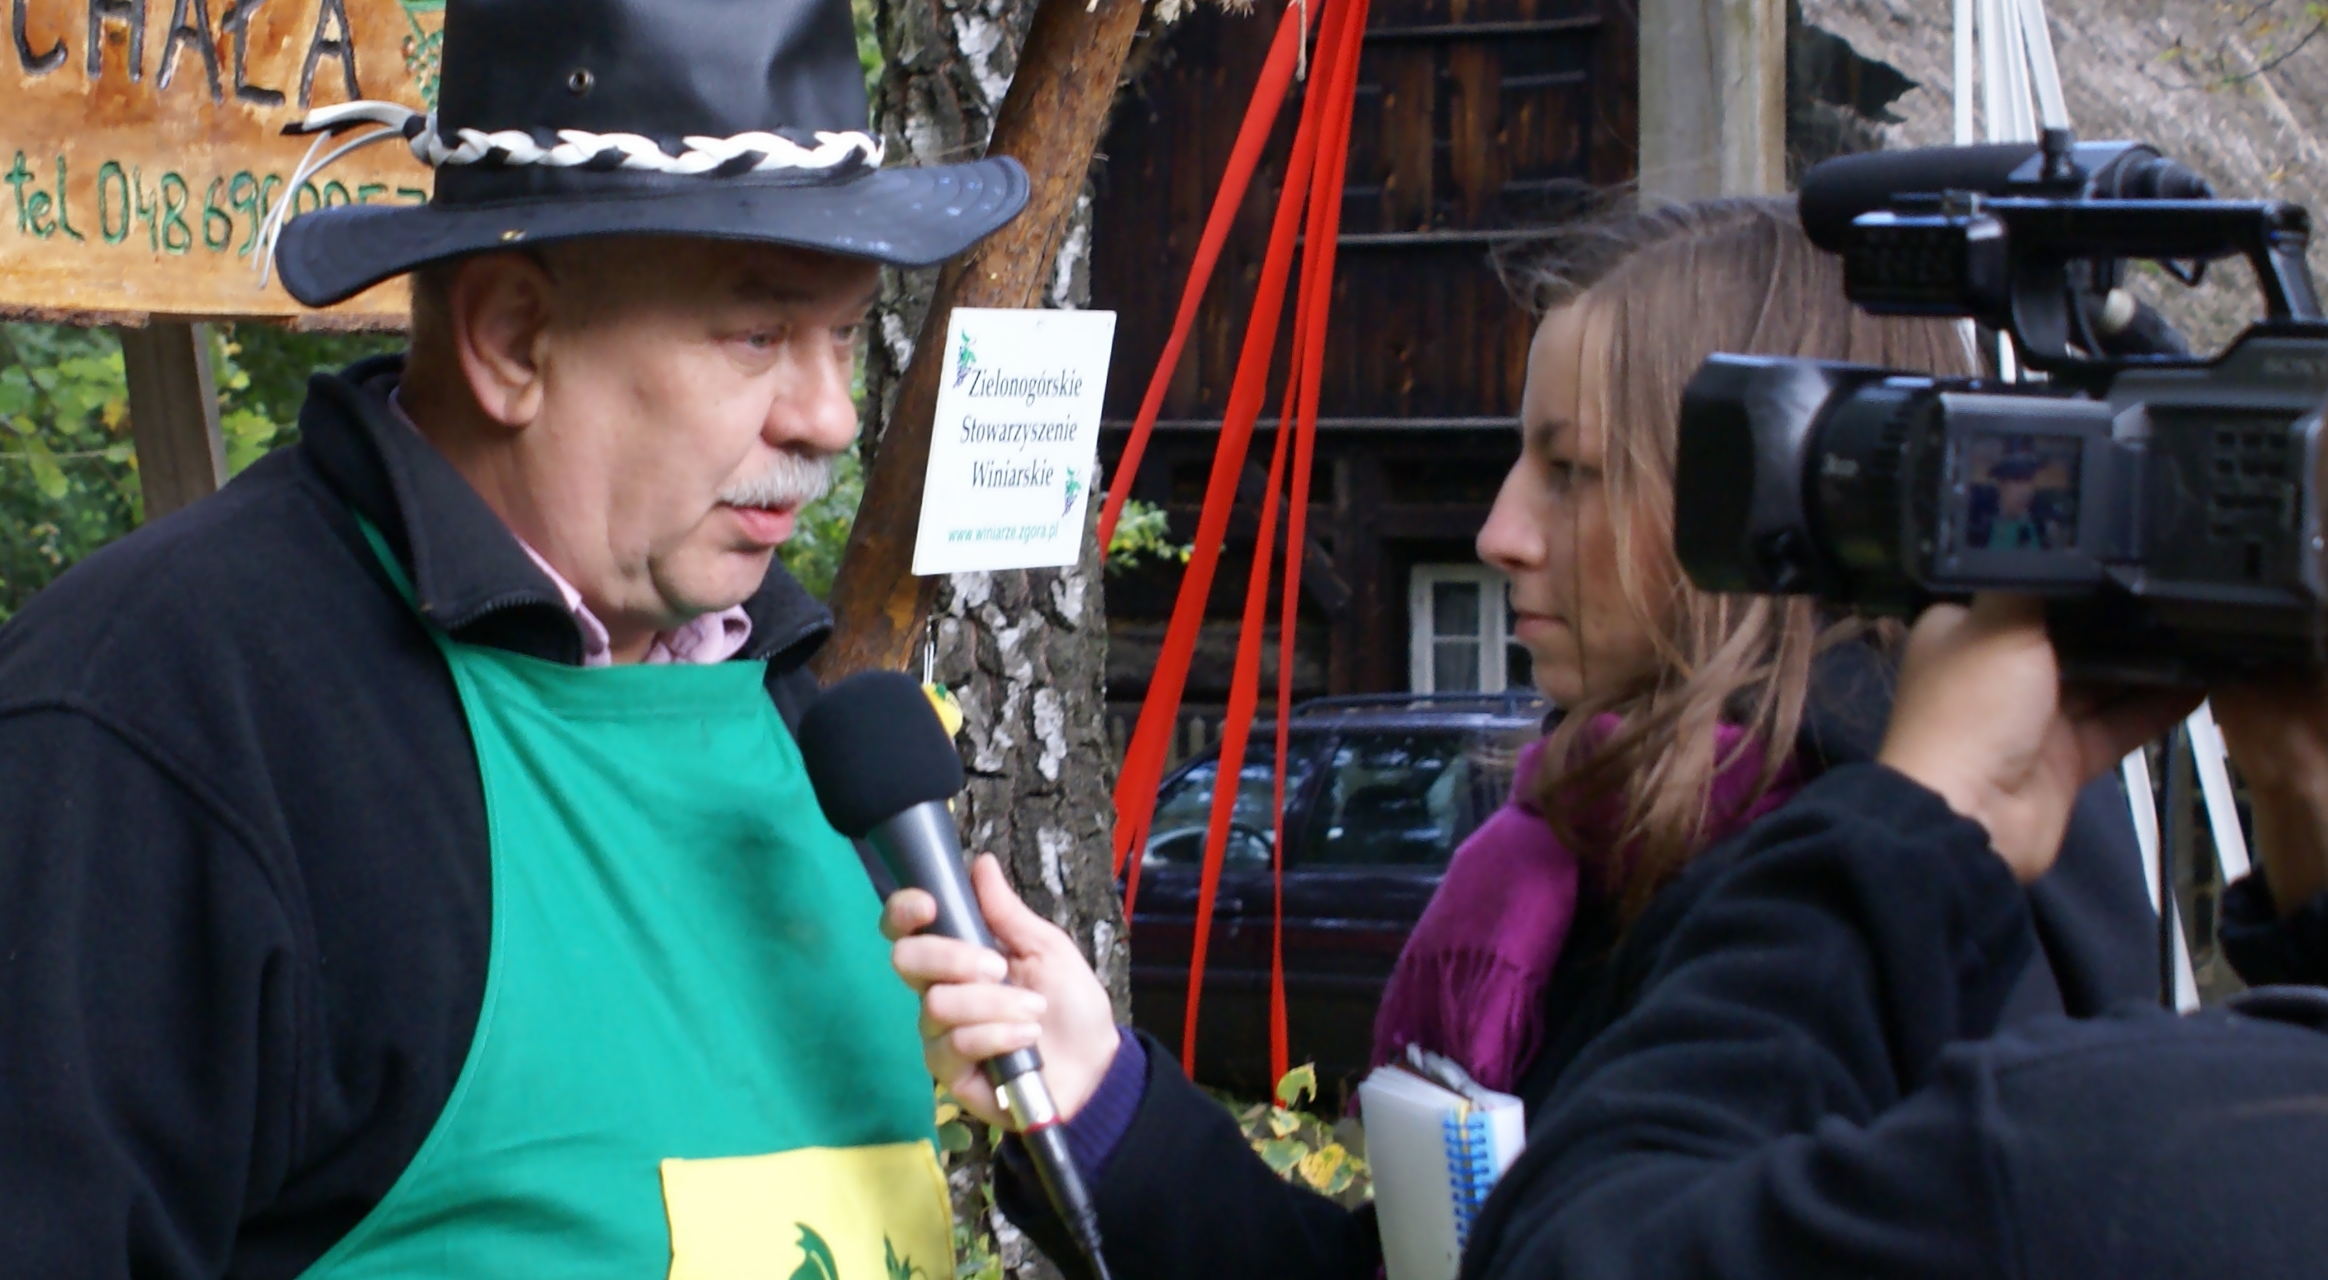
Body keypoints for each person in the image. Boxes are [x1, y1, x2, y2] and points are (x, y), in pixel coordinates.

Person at [0, 0, 1031, 1277]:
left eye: (843, 336)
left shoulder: (798, 716)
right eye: (756, 334)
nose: (826, 415)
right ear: (511, 340)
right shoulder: (153, 719)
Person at [889, 198, 2163, 1275]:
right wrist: (1101, 1096)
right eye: (1520, 460)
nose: (1501, 530)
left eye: (1575, 468)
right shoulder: (1612, 852)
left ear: (1775, 502)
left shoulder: (1924, 934)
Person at [1464, 597, 2328, 1278]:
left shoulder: (2122, 1168)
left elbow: (1575, 1246)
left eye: (1575, 469)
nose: (1500, 532)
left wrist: (1914, 819)